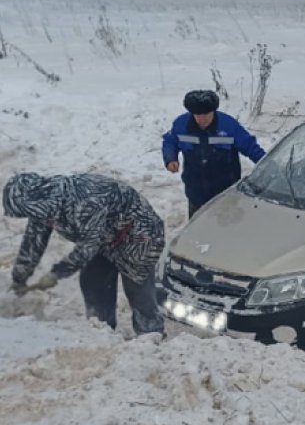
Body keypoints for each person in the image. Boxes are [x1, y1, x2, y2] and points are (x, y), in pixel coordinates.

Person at [3, 172, 165, 335]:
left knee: (137, 288)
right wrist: (19, 278)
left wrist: (56, 274)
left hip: (138, 234)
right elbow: (32, 243)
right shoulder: (44, 206)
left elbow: (87, 247)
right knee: (93, 281)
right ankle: (101, 332)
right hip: (104, 239)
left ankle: (151, 335)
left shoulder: (85, 200)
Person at [161, 90, 266, 218]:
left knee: (227, 228)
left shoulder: (229, 126)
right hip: (195, 190)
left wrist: (267, 165)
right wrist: (170, 158)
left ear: (213, 111)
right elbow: (170, 141)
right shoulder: (181, 125)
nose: (201, 119)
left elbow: (251, 147)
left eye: (206, 114)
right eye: (197, 115)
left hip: (226, 192)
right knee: (197, 228)